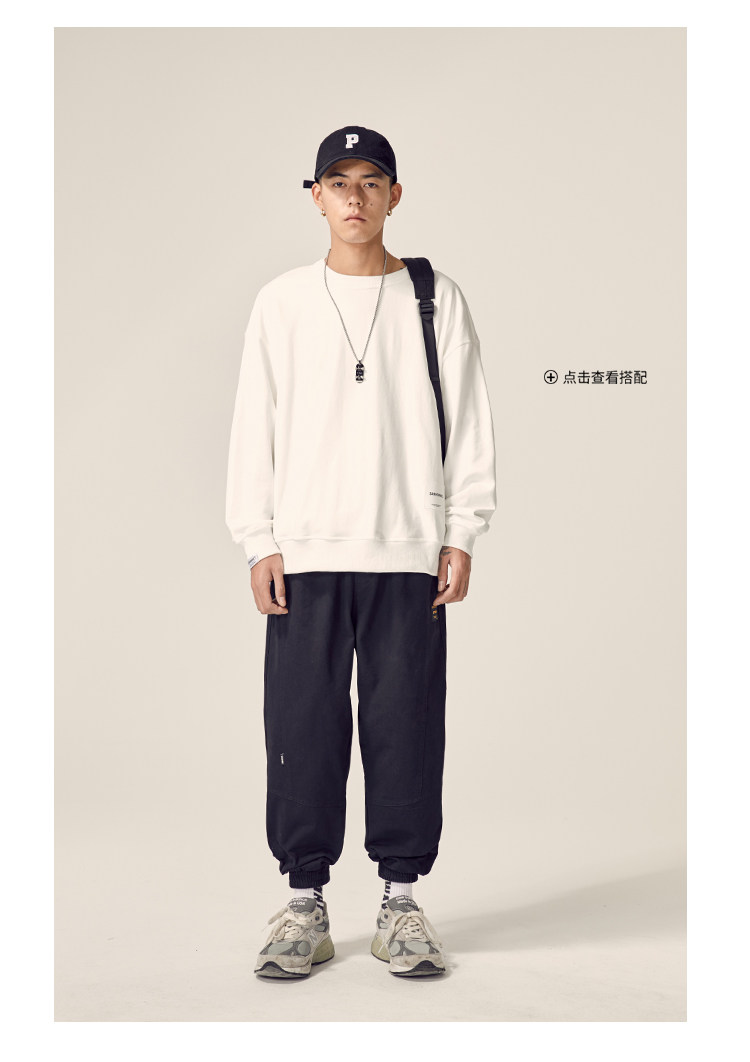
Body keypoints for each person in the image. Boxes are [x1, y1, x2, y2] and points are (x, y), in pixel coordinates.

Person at [225, 125, 496, 979]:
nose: (354, 197)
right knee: (301, 730)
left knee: (405, 726)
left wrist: (461, 530)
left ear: (394, 196)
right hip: (304, 552)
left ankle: (400, 903)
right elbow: (254, 425)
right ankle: (304, 904)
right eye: (338, 182)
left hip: (407, 552)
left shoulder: (434, 297)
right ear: (315, 197)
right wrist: (258, 538)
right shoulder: (281, 302)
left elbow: (470, 420)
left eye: (370, 181)